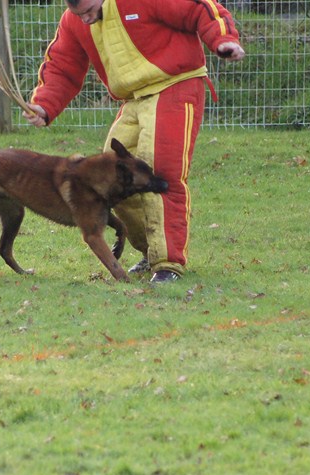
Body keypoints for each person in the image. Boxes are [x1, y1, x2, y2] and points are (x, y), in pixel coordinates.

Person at [24, 0, 246, 284]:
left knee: (160, 172)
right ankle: (149, 251)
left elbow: (198, 7)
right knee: (109, 178)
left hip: (175, 85)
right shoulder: (73, 20)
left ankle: (168, 263)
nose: (88, 20)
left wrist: (223, 39)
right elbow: (62, 67)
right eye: (81, 16)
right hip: (133, 99)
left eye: (90, 12)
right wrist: (44, 105)